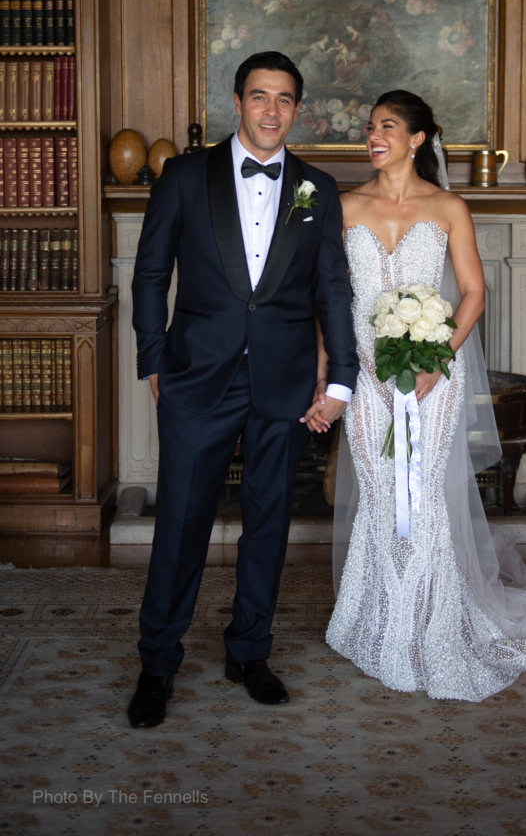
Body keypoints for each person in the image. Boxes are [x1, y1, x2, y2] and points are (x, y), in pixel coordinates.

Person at [304, 89, 526, 702]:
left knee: (419, 497)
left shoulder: (448, 207)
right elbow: (329, 302)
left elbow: (472, 293)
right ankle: (377, 621)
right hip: (366, 375)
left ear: (418, 139)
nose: (374, 135)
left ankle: (432, 623)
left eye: (387, 126)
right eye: (370, 127)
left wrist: (437, 358)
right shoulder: (343, 207)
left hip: (430, 377)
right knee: (377, 488)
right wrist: (326, 375)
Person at [128, 50, 359, 727]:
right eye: (259, 96)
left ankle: (249, 652)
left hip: (283, 384)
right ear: (236, 102)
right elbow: (149, 275)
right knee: (179, 523)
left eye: (284, 99)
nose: (270, 110)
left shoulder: (318, 187)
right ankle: (157, 663)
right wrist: (152, 360)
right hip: (195, 377)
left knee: (267, 524)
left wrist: (340, 378)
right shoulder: (182, 177)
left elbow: (332, 290)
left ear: (297, 109)